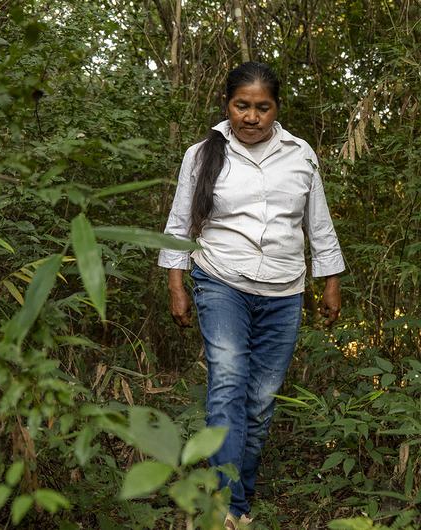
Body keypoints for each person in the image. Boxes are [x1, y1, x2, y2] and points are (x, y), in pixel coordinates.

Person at [157, 62, 345, 528]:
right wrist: (176, 283)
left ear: (276, 109)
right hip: (220, 281)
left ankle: (240, 492)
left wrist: (331, 281)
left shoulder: (300, 155)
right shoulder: (201, 155)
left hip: (283, 290)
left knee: (259, 402)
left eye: (262, 107)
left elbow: (317, 223)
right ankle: (229, 509)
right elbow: (179, 223)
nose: (252, 116)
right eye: (243, 105)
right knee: (226, 384)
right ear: (228, 105)